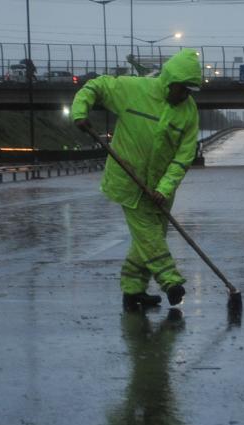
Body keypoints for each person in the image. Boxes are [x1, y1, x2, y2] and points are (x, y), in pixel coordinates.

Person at [71, 49, 202, 312]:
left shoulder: (189, 112)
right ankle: (170, 282)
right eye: (183, 89)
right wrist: (80, 112)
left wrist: (165, 188)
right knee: (150, 236)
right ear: (170, 81)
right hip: (129, 182)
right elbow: (96, 86)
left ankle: (133, 291)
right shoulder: (135, 90)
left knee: (149, 239)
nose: (185, 95)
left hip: (160, 190)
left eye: (190, 90)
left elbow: (184, 156)